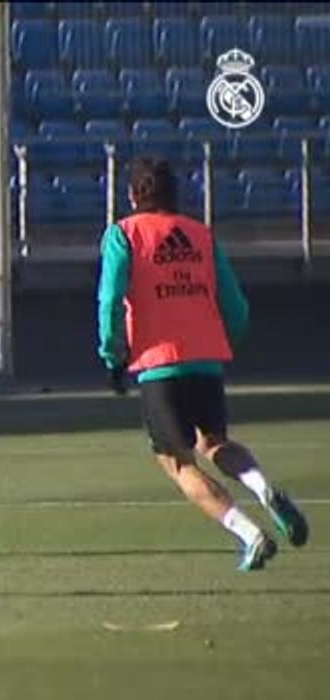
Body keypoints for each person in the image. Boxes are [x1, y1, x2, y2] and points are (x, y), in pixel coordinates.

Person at [97, 157, 309, 571]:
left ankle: (250, 535)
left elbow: (109, 299)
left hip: (160, 363)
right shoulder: (200, 235)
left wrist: (112, 355)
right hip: (206, 360)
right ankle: (263, 488)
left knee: (178, 462)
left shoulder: (124, 234)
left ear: (133, 195)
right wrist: (221, 341)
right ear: (174, 195)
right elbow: (236, 306)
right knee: (215, 443)